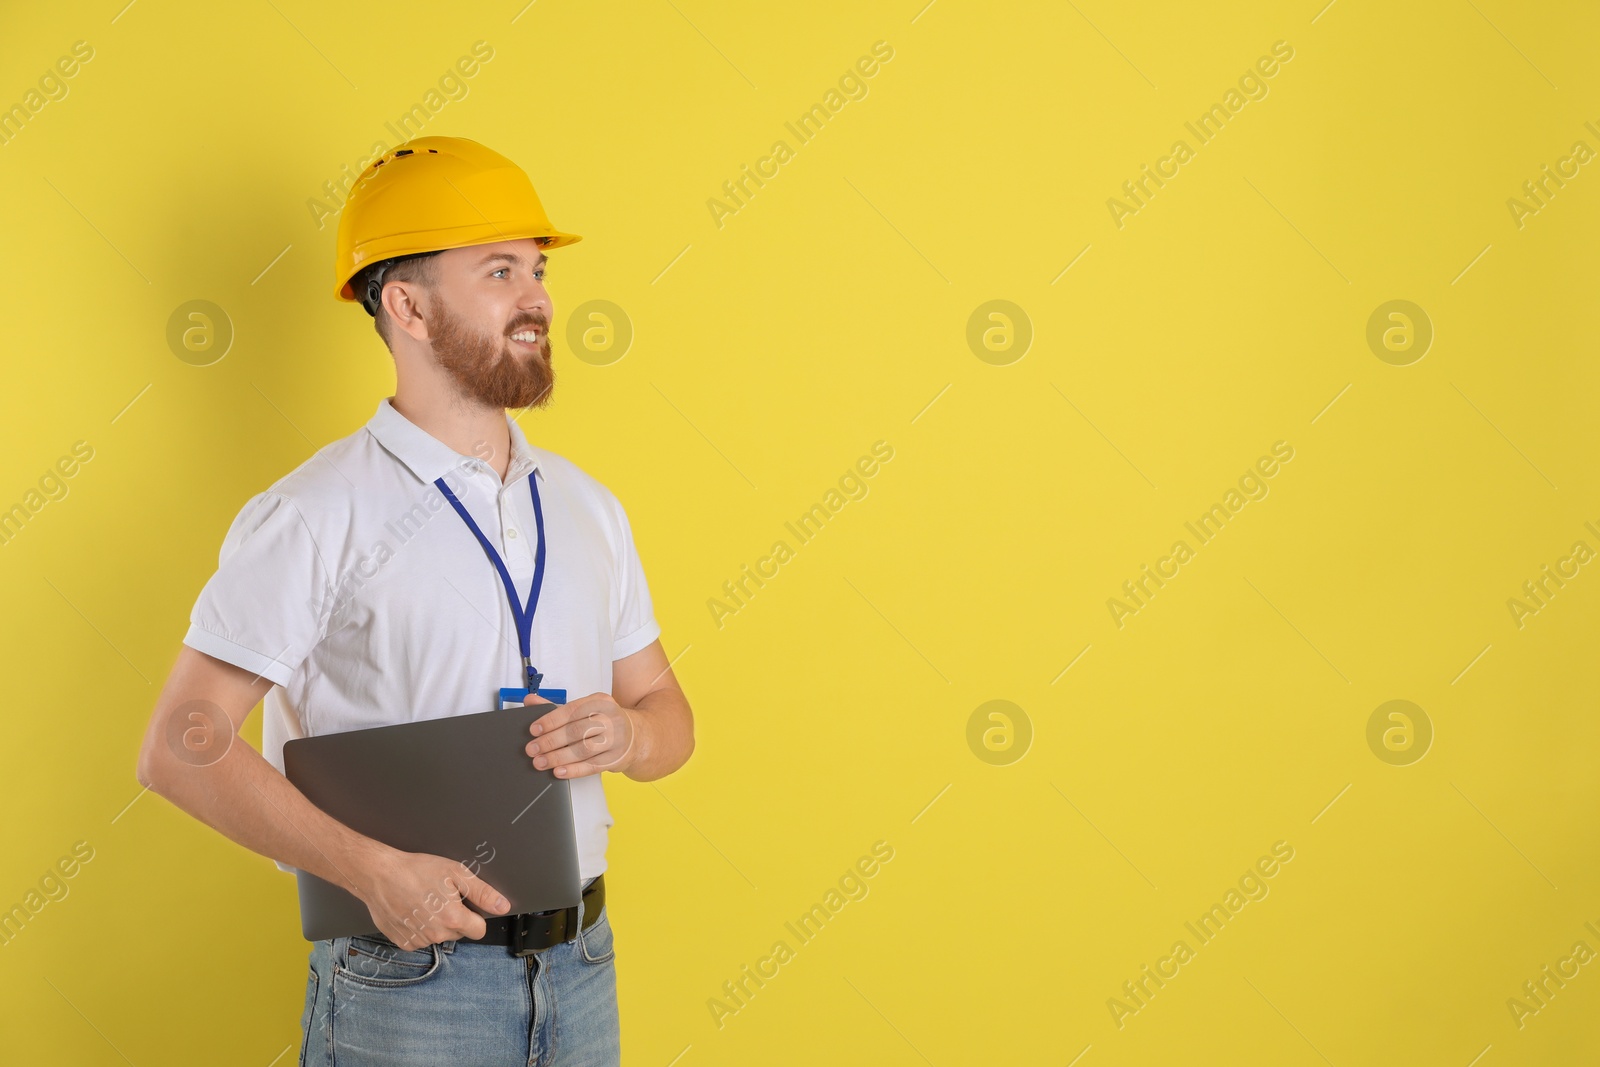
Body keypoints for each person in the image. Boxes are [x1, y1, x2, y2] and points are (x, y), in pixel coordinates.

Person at [135, 136, 693, 1066]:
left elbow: (670, 720)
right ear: (408, 306)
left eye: (539, 269)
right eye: (500, 270)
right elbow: (179, 746)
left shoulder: (588, 506)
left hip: (583, 968)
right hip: (411, 983)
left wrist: (629, 737)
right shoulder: (314, 513)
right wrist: (374, 874)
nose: (539, 298)